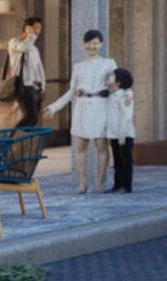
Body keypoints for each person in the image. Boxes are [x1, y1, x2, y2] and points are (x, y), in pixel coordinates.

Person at [45, 30, 119, 194]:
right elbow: (71, 92)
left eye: (95, 43)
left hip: (100, 106)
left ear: (101, 44)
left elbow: (116, 88)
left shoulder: (109, 63)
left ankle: (100, 182)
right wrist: (54, 107)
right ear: (83, 44)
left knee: (101, 145)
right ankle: (82, 182)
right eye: (89, 43)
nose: (92, 46)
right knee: (80, 146)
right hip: (82, 107)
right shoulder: (78, 66)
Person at [5, 18, 45, 128]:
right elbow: (24, 47)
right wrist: (30, 35)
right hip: (23, 85)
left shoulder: (34, 49)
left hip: (35, 87)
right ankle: (11, 140)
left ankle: (23, 143)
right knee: (30, 116)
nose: (38, 31)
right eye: (36, 28)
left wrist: (43, 86)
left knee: (34, 119)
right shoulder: (14, 42)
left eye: (40, 29)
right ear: (28, 28)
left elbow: (39, 68)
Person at [107, 68, 136, 193]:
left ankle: (127, 186)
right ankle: (117, 184)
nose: (109, 77)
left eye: (112, 76)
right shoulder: (113, 94)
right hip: (114, 134)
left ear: (119, 81)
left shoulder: (125, 96)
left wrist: (122, 135)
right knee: (117, 161)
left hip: (124, 134)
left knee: (126, 160)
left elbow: (126, 116)